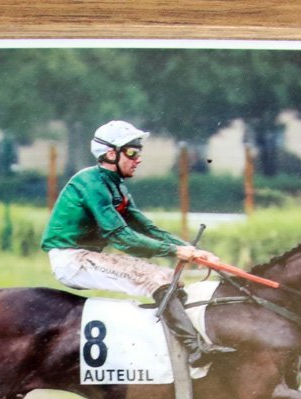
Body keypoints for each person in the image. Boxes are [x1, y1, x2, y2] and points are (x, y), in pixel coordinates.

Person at [41, 120, 233, 368]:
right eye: (132, 152)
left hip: (87, 256)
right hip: (72, 260)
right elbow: (121, 236)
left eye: (138, 152)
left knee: (168, 278)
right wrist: (175, 251)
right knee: (157, 280)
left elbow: (147, 228)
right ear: (111, 154)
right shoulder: (91, 183)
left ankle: (175, 345)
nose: (138, 159)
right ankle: (195, 351)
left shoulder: (115, 185)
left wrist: (194, 252)